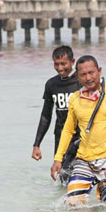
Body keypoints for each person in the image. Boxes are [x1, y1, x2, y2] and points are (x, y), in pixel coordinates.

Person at [50, 55, 106, 206]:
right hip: (83, 159)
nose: (88, 78)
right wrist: (58, 158)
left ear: (99, 71)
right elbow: (68, 130)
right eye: (83, 74)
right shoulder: (75, 99)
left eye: (91, 73)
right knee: (73, 204)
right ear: (77, 76)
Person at [31, 46, 81, 179]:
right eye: (56, 64)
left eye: (63, 64)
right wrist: (37, 144)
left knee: (80, 178)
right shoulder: (51, 84)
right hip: (61, 139)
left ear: (72, 62)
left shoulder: (82, 83)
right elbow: (46, 116)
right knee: (63, 178)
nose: (60, 68)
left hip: (81, 138)